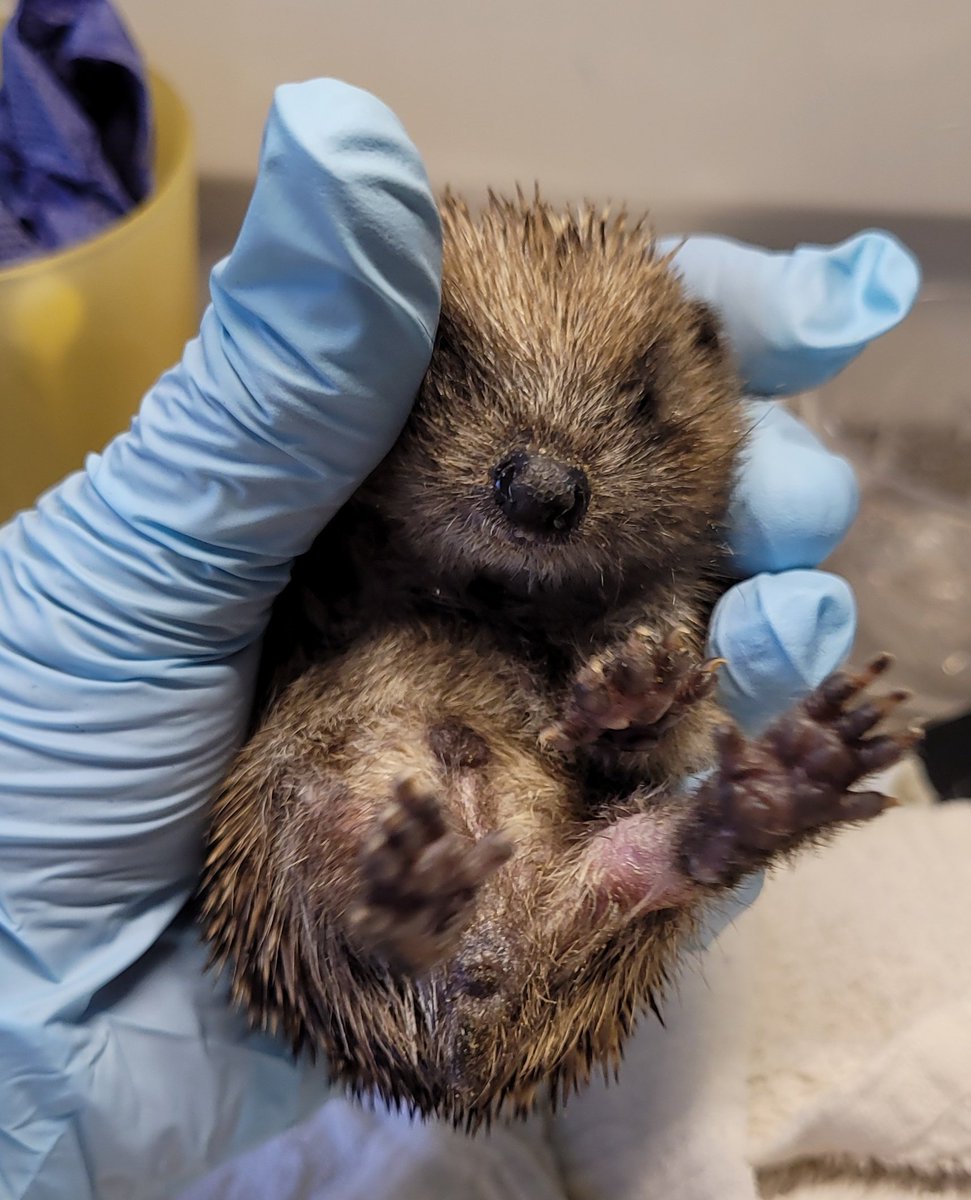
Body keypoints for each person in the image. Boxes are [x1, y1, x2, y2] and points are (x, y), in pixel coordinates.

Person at [0, 79, 920, 1200]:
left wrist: (637, 711)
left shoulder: (656, 583)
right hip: (372, 821)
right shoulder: (325, 529)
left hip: (510, 869)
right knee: (381, 789)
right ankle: (608, 858)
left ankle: (558, 867)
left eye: (633, 407)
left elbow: (601, 740)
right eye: (463, 384)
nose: (544, 482)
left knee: (636, 742)